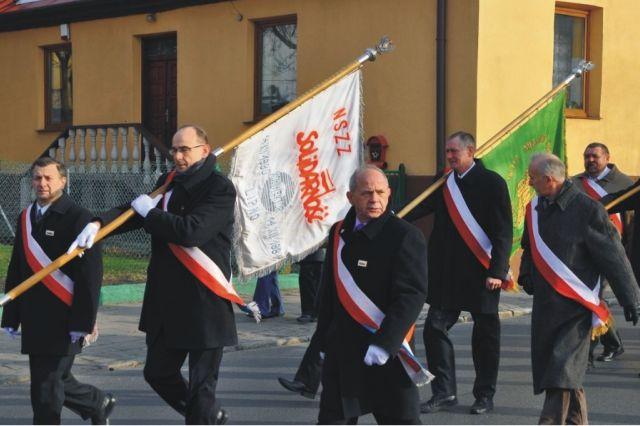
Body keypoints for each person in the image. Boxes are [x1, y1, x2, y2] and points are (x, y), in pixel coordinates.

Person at [68, 125, 236, 424]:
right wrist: (98, 223)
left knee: (202, 388)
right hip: (166, 301)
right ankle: (208, 417)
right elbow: (136, 211)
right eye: (174, 149)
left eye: (185, 149)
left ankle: (203, 416)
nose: (178, 155)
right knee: (157, 373)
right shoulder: (168, 181)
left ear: (204, 150)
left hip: (204, 301)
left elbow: (191, 232)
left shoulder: (219, 188)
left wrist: (151, 213)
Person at [519, 153, 640, 424]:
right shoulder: (536, 207)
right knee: (565, 375)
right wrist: (526, 272)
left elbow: (614, 256)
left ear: (549, 179)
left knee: (561, 373)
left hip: (576, 307)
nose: (530, 182)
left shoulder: (588, 209)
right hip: (546, 306)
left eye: (533, 178)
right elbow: (529, 245)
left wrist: (631, 299)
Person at [404, 131, 512, 415]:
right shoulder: (443, 183)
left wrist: (497, 271)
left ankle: (484, 395)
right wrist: (390, 218)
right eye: (447, 151)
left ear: (471, 151)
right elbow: (417, 209)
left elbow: (503, 232)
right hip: (446, 273)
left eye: (454, 151)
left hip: (482, 274)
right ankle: (444, 392)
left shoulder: (492, 183)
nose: (449, 156)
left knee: (485, 337)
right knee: (434, 329)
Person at [1, 157, 115, 424]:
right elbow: (18, 267)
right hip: (34, 317)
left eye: (48, 178)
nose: (42, 183)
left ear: (63, 181)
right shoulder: (26, 217)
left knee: (46, 388)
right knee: (56, 380)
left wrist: (83, 322)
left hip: (65, 316)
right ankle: (97, 402)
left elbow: (90, 275)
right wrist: (11, 315)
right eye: (37, 178)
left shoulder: (79, 218)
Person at [315, 165, 429, 424]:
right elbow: (330, 295)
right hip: (343, 349)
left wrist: (384, 343)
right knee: (333, 418)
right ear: (350, 197)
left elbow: (411, 295)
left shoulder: (405, 235)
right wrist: (322, 342)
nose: (374, 199)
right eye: (366, 193)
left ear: (389, 194)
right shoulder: (339, 232)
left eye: (380, 192)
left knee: (400, 419)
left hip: (385, 348)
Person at [572, 142, 633, 364]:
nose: (590, 160)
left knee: (591, 295)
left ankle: (586, 353)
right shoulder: (575, 183)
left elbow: (630, 220)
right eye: (586, 156)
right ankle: (612, 343)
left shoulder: (624, 183)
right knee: (590, 295)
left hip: (613, 251)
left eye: (595, 156)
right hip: (582, 250)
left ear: (607, 157)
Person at [297, 248, 325, 323]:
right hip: (318, 257)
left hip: (308, 257)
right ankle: (316, 313)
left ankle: (309, 313)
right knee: (316, 286)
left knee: (307, 286)